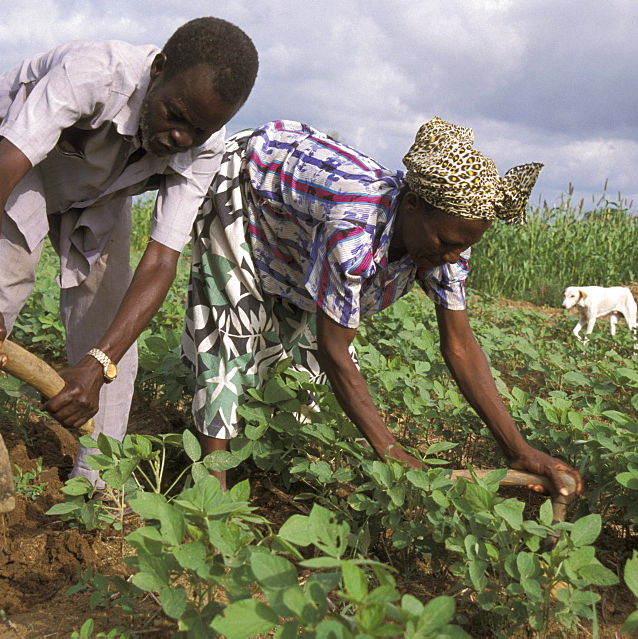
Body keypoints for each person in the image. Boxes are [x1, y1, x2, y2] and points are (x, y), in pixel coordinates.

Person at [0, 17, 259, 507]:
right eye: (174, 114)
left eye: (199, 129)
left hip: (102, 188)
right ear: (160, 68)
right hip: (24, 161)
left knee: (110, 314)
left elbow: (160, 261)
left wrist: (97, 362)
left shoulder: (202, 148)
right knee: (6, 277)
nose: (179, 137)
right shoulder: (95, 72)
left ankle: (100, 477)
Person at [182, 118, 582, 496]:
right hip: (248, 186)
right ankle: (211, 492)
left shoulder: (447, 247)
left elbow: (459, 345)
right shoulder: (354, 227)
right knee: (230, 333)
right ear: (410, 205)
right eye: (446, 242)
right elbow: (335, 349)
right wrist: (391, 450)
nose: (452, 256)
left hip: (296, 223)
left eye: (463, 245)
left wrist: (518, 450)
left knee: (309, 374)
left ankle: (283, 465)